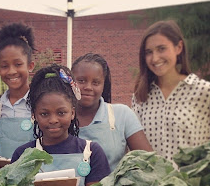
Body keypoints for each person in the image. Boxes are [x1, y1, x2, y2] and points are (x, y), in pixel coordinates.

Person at [11, 64, 111, 186]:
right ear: (34, 115)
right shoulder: (22, 155)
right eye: (44, 114)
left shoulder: (92, 152)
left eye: (61, 112)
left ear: (72, 113)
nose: (53, 120)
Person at [131, 20, 210, 163]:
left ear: (178, 47)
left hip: (190, 184)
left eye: (161, 49)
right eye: (149, 52)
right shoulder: (140, 98)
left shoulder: (204, 92)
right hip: (152, 184)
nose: (155, 58)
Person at [71, 53, 153, 171]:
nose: (88, 87)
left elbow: (148, 162)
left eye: (96, 82)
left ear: (104, 85)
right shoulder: (59, 117)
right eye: (81, 80)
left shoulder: (122, 114)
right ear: (71, 81)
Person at [0, 23, 36, 158]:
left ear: (30, 66)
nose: (11, 71)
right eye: (5, 66)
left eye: (18, 64)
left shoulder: (39, 104)